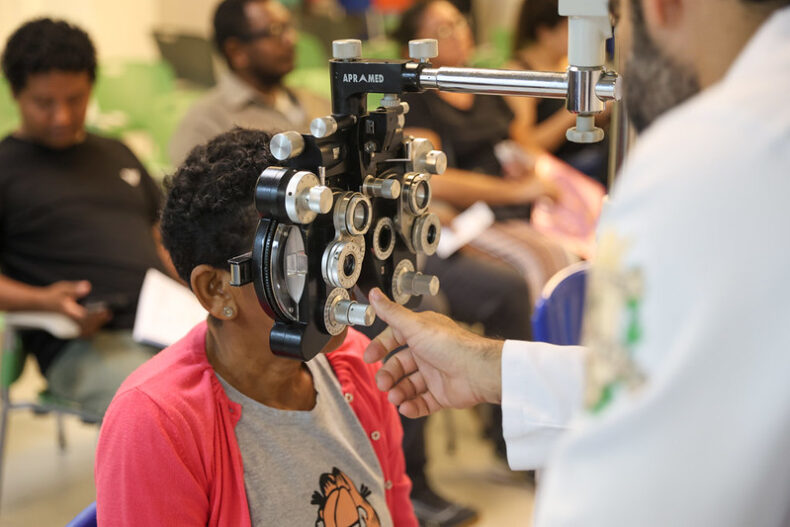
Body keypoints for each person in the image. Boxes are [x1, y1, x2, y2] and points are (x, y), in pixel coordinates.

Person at [363, 0, 790, 524]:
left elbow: (623, 475)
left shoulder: (709, 155)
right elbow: (693, 384)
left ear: (657, 7)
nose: (617, 46)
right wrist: (490, 366)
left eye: (615, 22)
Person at [95, 128, 417, 526]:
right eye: (298, 258)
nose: (336, 277)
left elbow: (397, 509)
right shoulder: (156, 423)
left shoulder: (355, 361)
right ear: (216, 291)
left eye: (332, 243)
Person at [0, 18, 169, 416]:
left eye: (75, 99)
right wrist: (43, 301)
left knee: (256, 370)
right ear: (16, 94)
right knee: (162, 403)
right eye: (45, 103)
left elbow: (162, 232)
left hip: (166, 321)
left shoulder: (116, 152)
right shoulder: (5, 168)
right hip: (84, 342)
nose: (61, 116)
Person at [168, 0, 330, 165]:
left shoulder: (317, 102)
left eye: (289, 27)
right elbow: (191, 187)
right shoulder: (206, 122)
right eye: (276, 30)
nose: (291, 39)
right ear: (236, 51)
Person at [508, 0, 609, 187]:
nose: (584, 35)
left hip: (591, 157)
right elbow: (527, 144)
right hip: (560, 169)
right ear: (545, 32)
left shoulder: (570, 64)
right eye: (573, 27)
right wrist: (577, 109)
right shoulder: (519, 73)